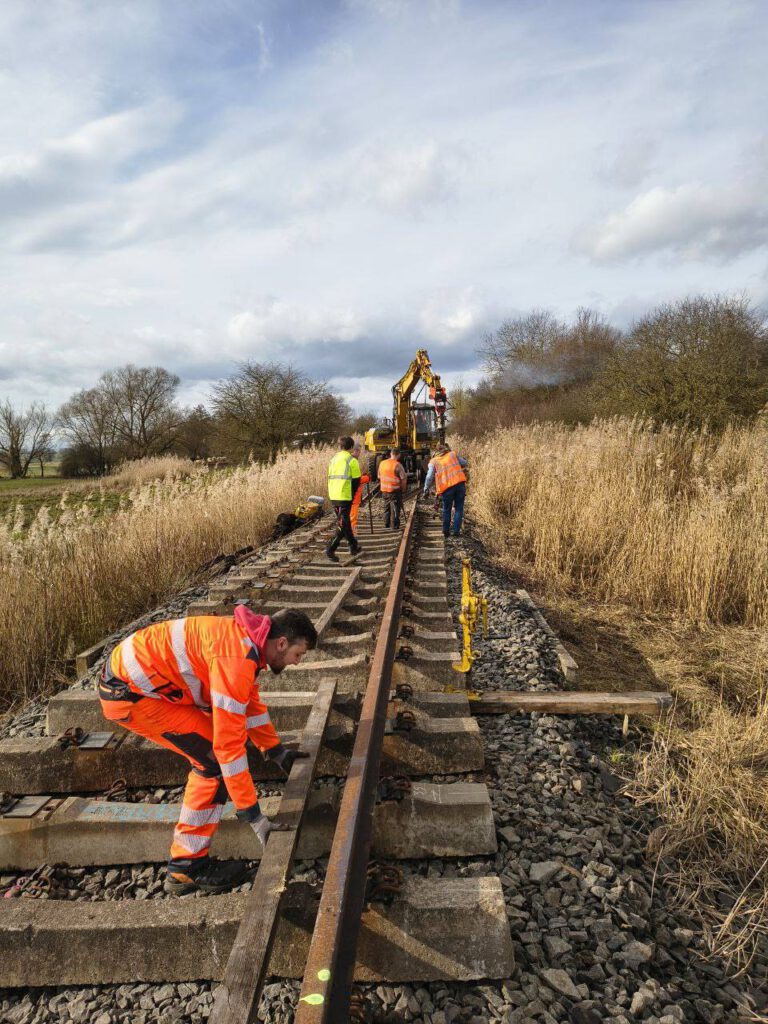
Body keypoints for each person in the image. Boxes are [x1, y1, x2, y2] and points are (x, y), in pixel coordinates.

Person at [98, 607, 317, 894]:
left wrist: (275, 751)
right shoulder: (237, 658)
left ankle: (188, 860)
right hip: (131, 694)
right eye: (298, 655)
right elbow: (228, 746)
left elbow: (248, 703)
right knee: (212, 763)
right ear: (281, 644)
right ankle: (186, 866)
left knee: (216, 754)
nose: (297, 663)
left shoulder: (244, 643)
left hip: (141, 685)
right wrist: (254, 817)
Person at [326, 436, 362, 561]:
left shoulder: (333, 459)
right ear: (351, 447)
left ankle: (353, 546)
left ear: (340, 446)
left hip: (333, 494)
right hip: (344, 496)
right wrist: (351, 495)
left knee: (345, 523)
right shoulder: (351, 460)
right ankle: (330, 549)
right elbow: (357, 481)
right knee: (343, 524)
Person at [423, 442, 468, 538]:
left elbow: (429, 476)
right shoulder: (452, 454)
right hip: (460, 485)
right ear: (445, 449)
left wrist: (426, 488)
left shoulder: (433, 461)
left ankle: (446, 531)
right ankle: (456, 531)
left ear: (435, 452)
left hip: (447, 488)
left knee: (447, 510)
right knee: (459, 509)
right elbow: (465, 463)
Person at [378, 447, 407, 529]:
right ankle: (394, 525)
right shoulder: (398, 465)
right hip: (394, 490)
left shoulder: (382, 463)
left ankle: (386, 523)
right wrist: (403, 489)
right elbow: (403, 478)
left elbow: (379, 476)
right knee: (395, 508)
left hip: (384, 490)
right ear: (398, 455)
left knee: (386, 507)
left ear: (391, 454)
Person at [349, 443, 371, 535]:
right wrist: (366, 478)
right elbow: (356, 480)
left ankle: (346, 531)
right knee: (353, 515)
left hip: (346, 493)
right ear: (355, 451)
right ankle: (352, 533)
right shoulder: (353, 461)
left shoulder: (346, 460)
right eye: (359, 451)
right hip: (353, 494)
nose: (359, 453)